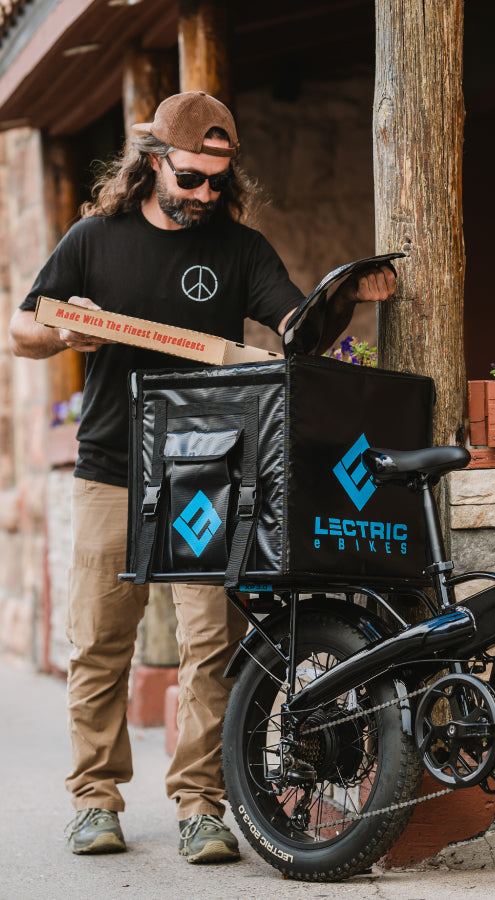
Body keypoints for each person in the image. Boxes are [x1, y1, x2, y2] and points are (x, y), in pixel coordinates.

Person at [8, 91, 396, 863]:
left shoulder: (241, 249)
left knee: (209, 646)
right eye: (191, 179)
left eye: (219, 181)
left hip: (206, 471)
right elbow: (22, 328)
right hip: (111, 469)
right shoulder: (94, 239)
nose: (206, 195)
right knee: (98, 642)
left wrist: (344, 298)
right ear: (153, 162)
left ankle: (200, 806)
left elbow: (295, 332)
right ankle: (94, 799)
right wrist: (64, 332)